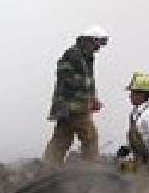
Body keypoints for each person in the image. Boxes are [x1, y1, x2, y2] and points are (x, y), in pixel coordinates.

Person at [43, 26, 109, 166]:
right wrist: (86, 90)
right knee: (90, 136)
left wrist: (93, 98)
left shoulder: (87, 57)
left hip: (73, 107)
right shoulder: (72, 55)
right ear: (88, 40)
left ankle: (48, 167)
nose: (98, 48)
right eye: (97, 43)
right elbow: (65, 75)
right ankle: (91, 169)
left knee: (62, 138)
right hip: (72, 107)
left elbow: (89, 81)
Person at [116, 72, 149, 188]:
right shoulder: (134, 113)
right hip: (138, 162)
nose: (130, 96)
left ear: (142, 95)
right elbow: (137, 137)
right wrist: (125, 149)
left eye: (133, 93)